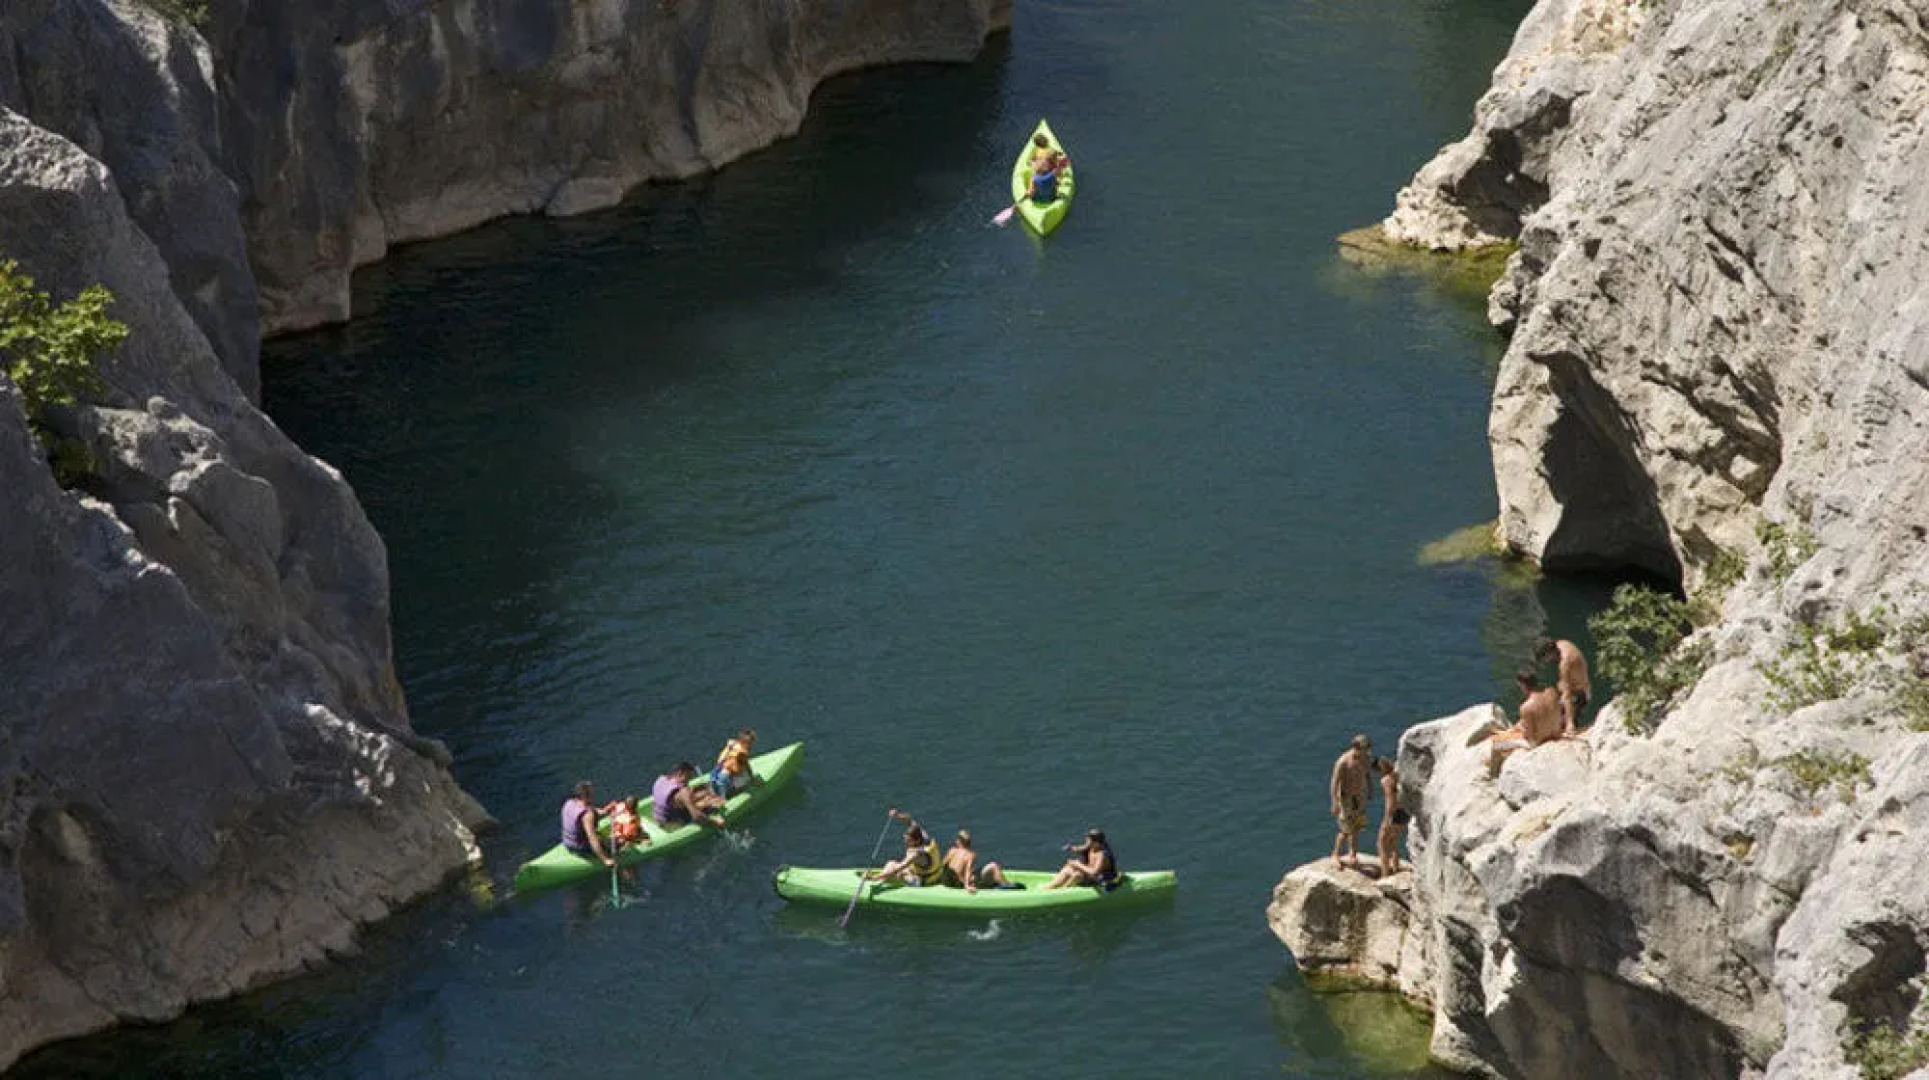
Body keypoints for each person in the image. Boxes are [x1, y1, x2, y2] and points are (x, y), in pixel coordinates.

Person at [1471, 670, 1566, 777]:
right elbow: (1546, 712)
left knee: (1496, 744)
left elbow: (1529, 737)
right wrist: (1519, 726)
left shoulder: (1526, 707)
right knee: (1513, 729)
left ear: (1522, 685)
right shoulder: (1551, 692)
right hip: (1556, 733)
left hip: (1538, 741)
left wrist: (1519, 730)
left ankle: (1492, 775)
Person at [866, 809, 944, 887]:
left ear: (917, 840)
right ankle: (880, 881)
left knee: (894, 867)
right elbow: (909, 820)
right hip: (935, 875)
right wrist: (897, 815)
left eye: (909, 841)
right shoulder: (924, 837)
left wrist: (874, 877)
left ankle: (876, 882)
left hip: (924, 882)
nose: (905, 842)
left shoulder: (916, 854)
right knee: (892, 864)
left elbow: (897, 869)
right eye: (905, 839)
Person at [1330, 734, 1372, 871]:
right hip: (1346, 798)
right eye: (1365, 748)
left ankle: (1352, 854)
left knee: (1357, 827)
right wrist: (1334, 802)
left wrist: (1370, 789)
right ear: (1356, 747)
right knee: (1345, 829)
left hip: (1359, 797)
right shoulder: (1343, 762)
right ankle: (1335, 854)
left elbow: (1367, 774)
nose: (1367, 751)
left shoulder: (1365, 758)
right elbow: (1334, 783)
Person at [1537, 638, 1592, 735]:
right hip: (1582, 686)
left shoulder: (1565, 664)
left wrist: (1569, 722)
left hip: (1579, 696)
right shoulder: (1562, 643)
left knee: (1556, 726)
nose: (1546, 662)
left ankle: (1572, 726)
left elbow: (1567, 696)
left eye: (1545, 659)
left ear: (1549, 654)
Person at [651, 762, 727, 830]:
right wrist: (716, 823)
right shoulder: (683, 792)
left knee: (702, 793)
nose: (688, 782)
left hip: (658, 819)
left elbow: (678, 796)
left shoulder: (661, 779)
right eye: (688, 778)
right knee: (710, 802)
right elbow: (697, 817)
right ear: (680, 773)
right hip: (672, 825)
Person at [942, 828, 1019, 892]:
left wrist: (940, 880)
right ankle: (1004, 884)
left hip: (948, 882)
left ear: (958, 841)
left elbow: (943, 865)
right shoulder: (970, 855)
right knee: (993, 865)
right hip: (959, 884)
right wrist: (967, 886)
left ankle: (998, 882)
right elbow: (967, 871)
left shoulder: (952, 851)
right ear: (969, 842)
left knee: (975, 874)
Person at [560, 780, 615, 867]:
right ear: (585, 796)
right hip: (579, 848)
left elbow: (589, 808)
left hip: (567, 843)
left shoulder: (569, 802)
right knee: (617, 844)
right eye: (592, 793)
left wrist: (604, 811)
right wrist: (606, 860)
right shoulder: (588, 815)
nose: (594, 794)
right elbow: (592, 838)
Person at [1047, 828, 1120, 890]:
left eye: (1088, 839)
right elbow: (1080, 848)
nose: (1086, 840)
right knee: (1068, 868)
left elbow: (1094, 872)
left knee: (1077, 875)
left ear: (1096, 843)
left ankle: (1063, 891)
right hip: (1089, 874)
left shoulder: (1102, 854)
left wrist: (1077, 864)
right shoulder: (1091, 846)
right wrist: (1071, 848)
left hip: (1101, 879)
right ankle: (1048, 888)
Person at [1375, 758, 1407, 876]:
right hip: (1404, 812)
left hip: (1393, 814)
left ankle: (1385, 874)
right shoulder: (1398, 776)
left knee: (1381, 844)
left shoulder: (1386, 780)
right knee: (1393, 841)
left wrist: (1387, 818)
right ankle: (1396, 868)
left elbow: (1390, 801)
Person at [710, 728, 762, 800]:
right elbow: (746, 765)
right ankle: (727, 795)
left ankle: (717, 791)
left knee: (719, 781)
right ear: (744, 742)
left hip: (719, 770)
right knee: (742, 783)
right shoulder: (741, 753)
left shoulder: (734, 744)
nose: (751, 745)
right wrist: (752, 778)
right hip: (727, 774)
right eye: (750, 743)